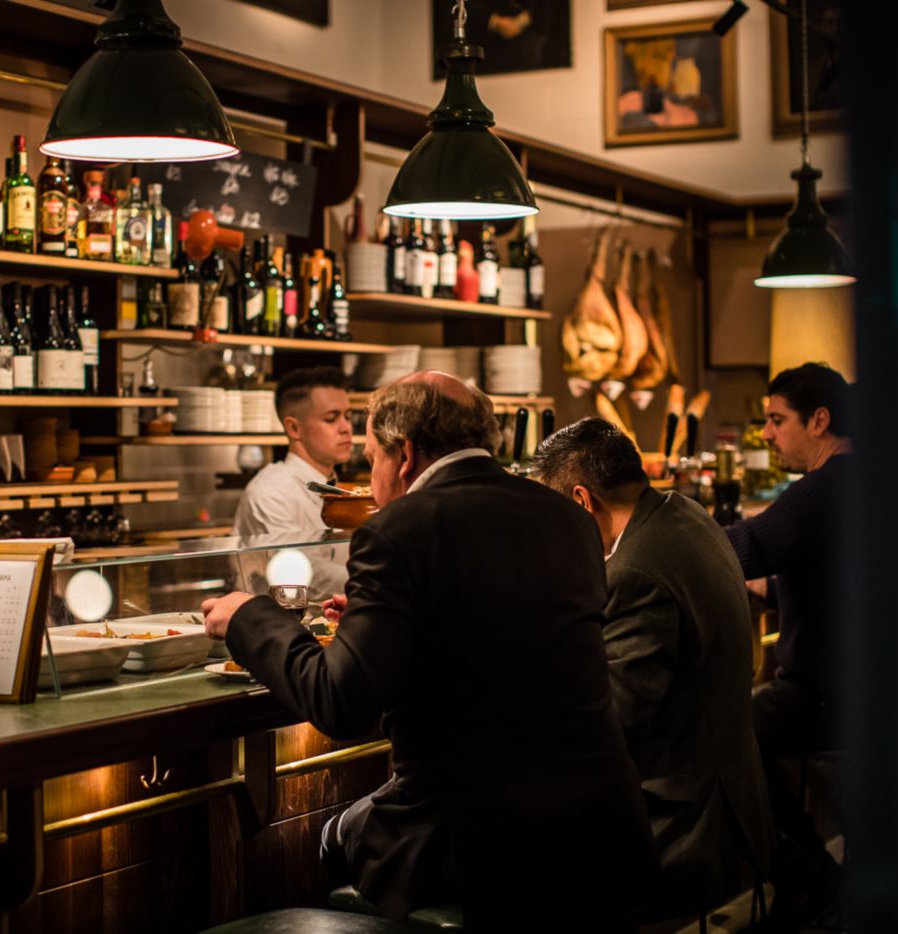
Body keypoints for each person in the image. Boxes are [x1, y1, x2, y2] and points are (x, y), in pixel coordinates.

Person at [203, 371, 656, 931]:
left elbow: (341, 703)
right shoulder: (565, 516)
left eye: (372, 458)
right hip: (603, 830)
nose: (372, 475)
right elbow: (498, 633)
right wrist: (385, 621)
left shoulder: (398, 531)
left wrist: (250, 617)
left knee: (330, 838)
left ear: (406, 455)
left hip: (480, 846)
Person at [532, 417, 773, 917]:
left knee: (514, 860)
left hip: (678, 822)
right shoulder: (682, 513)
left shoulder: (636, 570)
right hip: (729, 792)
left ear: (580, 500)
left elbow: (613, 720)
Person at [722, 362, 854, 924]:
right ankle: (814, 878)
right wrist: (775, 586)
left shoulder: (825, 488)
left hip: (828, 694)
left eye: (778, 420)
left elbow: (737, 546)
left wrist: (654, 539)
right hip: (853, 685)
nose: (769, 433)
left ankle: (812, 882)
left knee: (721, 742)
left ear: (819, 421)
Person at [232, 366, 354, 537]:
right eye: (331, 419)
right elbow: (303, 562)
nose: (346, 428)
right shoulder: (270, 493)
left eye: (348, 417)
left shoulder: (339, 490)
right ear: (294, 428)